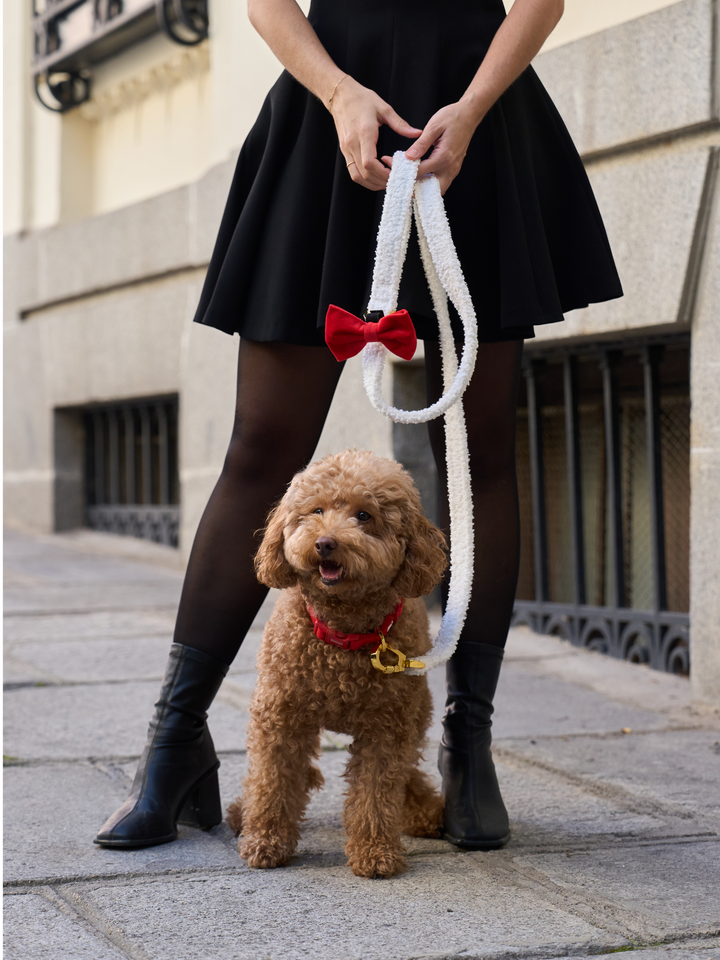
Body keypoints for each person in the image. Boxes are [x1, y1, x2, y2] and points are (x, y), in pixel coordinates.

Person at [95, 0, 622, 850]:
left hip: (472, 109)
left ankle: (469, 743)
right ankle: (174, 742)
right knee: (261, 447)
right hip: (330, 106)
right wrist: (339, 93)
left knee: (481, 450)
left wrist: (477, 105)